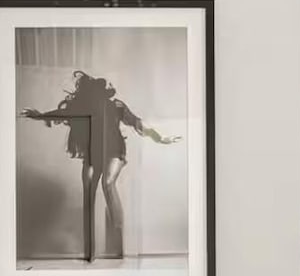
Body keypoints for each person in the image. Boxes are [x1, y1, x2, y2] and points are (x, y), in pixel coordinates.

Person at [19, 70, 181, 262]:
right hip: (93, 155)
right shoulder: (83, 107)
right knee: (88, 192)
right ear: (98, 91)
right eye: (107, 84)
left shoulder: (118, 106)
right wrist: (39, 116)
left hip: (115, 152)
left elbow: (138, 124)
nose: (111, 86)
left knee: (108, 183)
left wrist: (161, 138)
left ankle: (117, 231)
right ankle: (90, 252)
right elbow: (62, 113)